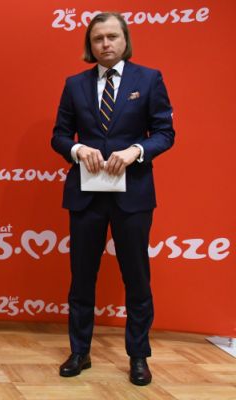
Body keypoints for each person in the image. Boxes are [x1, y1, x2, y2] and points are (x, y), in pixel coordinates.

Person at [51, 12, 175, 386]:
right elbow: (59, 136)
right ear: (90, 45)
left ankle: (138, 356)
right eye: (98, 38)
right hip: (86, 195)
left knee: (136, 277)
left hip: (132, 194)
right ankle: (80, 351)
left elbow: (165, 132)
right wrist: (77, 150)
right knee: (81, 277)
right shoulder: (75, 84)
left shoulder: (149, 79)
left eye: (112, 36)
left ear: (125, 40)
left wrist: (137, 150)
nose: (105, 44)